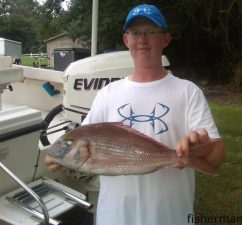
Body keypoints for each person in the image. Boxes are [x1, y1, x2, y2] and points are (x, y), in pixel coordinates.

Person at [45, 3, 225, 225]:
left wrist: (204, 147)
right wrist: (60, 157)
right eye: (135, 32)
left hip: (170, 217)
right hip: (114, 218)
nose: (142, 39)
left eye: (151, 32)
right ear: (126, 40)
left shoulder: (188, 92)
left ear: (165, 39)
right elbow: (83, 141)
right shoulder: (106, 94)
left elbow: (217, 157)